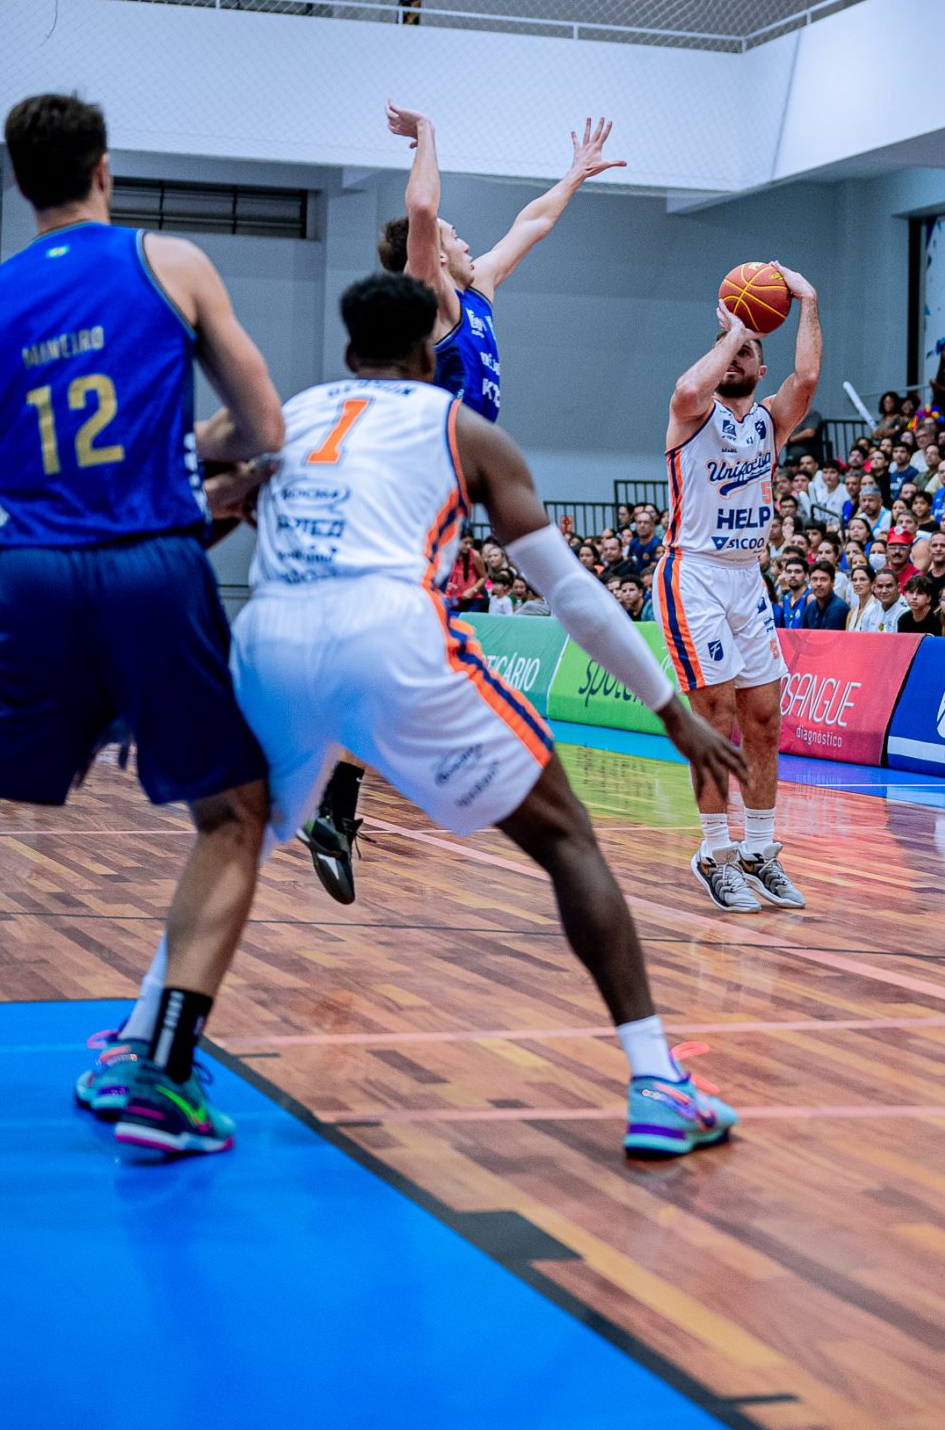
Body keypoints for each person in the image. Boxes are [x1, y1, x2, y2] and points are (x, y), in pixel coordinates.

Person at [239, 272, 749, 1157]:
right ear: (428, 356)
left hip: (267, 637)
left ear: (349, 348)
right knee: (568, 841)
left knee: (227, 844)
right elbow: (574, 597)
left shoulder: (295, 414)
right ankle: (657, 1083)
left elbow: (211, 498)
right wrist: (670, 710)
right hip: (391, 636)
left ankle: (148, 1046)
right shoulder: (459, 426)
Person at [0, 93, 286, 1156]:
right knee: (233, 815)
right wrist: (195, 457)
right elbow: (263, 427)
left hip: (26, 571)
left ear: (20, 184)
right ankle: (161, 1074)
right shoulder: (170, 263)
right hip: (149, 569)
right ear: (104, 170)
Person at [303, 104, 626, 899]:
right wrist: (427, 135)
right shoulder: (431, 300)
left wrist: (574, 176)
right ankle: (324, 785)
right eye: (454, 234)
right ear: (431, 256)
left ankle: (333, 800)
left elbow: (533, 224)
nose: (463, 237)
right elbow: (420, 209)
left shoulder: (477, 292)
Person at [657, 272, 821, 913]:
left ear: (761, 367)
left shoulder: (771, 421)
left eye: (749, 350)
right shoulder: (693, 413)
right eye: (729, 348)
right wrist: (734, 331)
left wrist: (808, 302)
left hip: (746, 575)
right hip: (693, 571)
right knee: (716, 714)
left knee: (765, 719)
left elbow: (807, 378)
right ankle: (714, 853)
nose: (736, 357)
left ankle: (759, 849)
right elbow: (686, 387)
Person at [803, 561, 848, 630]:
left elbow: (829, 637)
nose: (818, 584)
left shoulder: (838, 608)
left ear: (832, 582)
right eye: (814, 579)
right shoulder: (810, 607)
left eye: (823, 580)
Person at [846, 564, 881, 631]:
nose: (857, 583)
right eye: (854, 580)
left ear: (872, 583)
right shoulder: (852, 612)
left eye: (862, 579)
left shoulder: (879, 608)